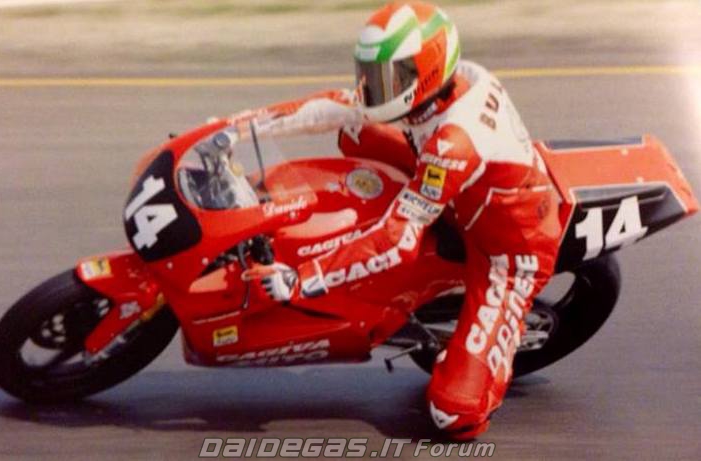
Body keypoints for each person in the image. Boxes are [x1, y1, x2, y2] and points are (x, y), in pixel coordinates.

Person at [237, 0, 562, 439]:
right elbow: (339, 106)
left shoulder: (454, 140)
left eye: (387, 78)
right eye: (369, 75)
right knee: (355, 130)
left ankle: (479, 354)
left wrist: (301, 279)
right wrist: (241, 127)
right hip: (457, 190)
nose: (372, 88)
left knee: (453, 416)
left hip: (508, 249)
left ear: (424, 74)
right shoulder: (453, 80)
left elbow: (396, 241)